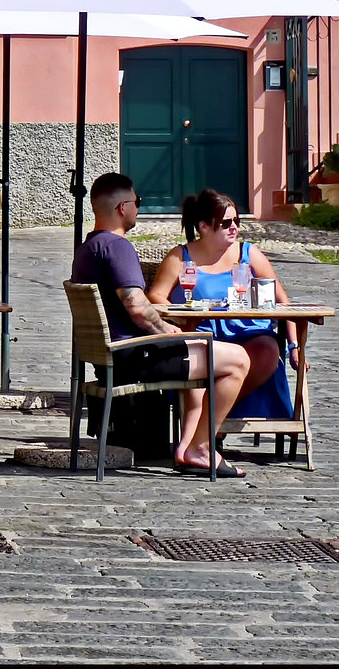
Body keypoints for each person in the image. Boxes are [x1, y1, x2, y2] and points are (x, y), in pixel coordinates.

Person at [71, 172, 252, 478]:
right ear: (122, 208)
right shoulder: (118, 247)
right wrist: (165, 330)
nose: (138, 208)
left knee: (200, 348)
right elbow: (136, 307)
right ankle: (201, 447)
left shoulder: (88, 248)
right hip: (135, 357)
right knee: (237, 360)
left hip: (110, 358)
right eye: (137, 202)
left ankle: (188, 446)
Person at [147, 189, 302, 422]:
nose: (234, 227)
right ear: (204, 226)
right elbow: (156, 296)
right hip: (202, 332)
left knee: (269, 350)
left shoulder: (248, 254)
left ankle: (210, 420)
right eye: (226, 222)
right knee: (198, 355)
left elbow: (282, 301)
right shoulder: (181, 257)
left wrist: (294, 346)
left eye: (237, 221)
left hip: (249, 332)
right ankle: (209, 428)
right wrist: (180, 315)